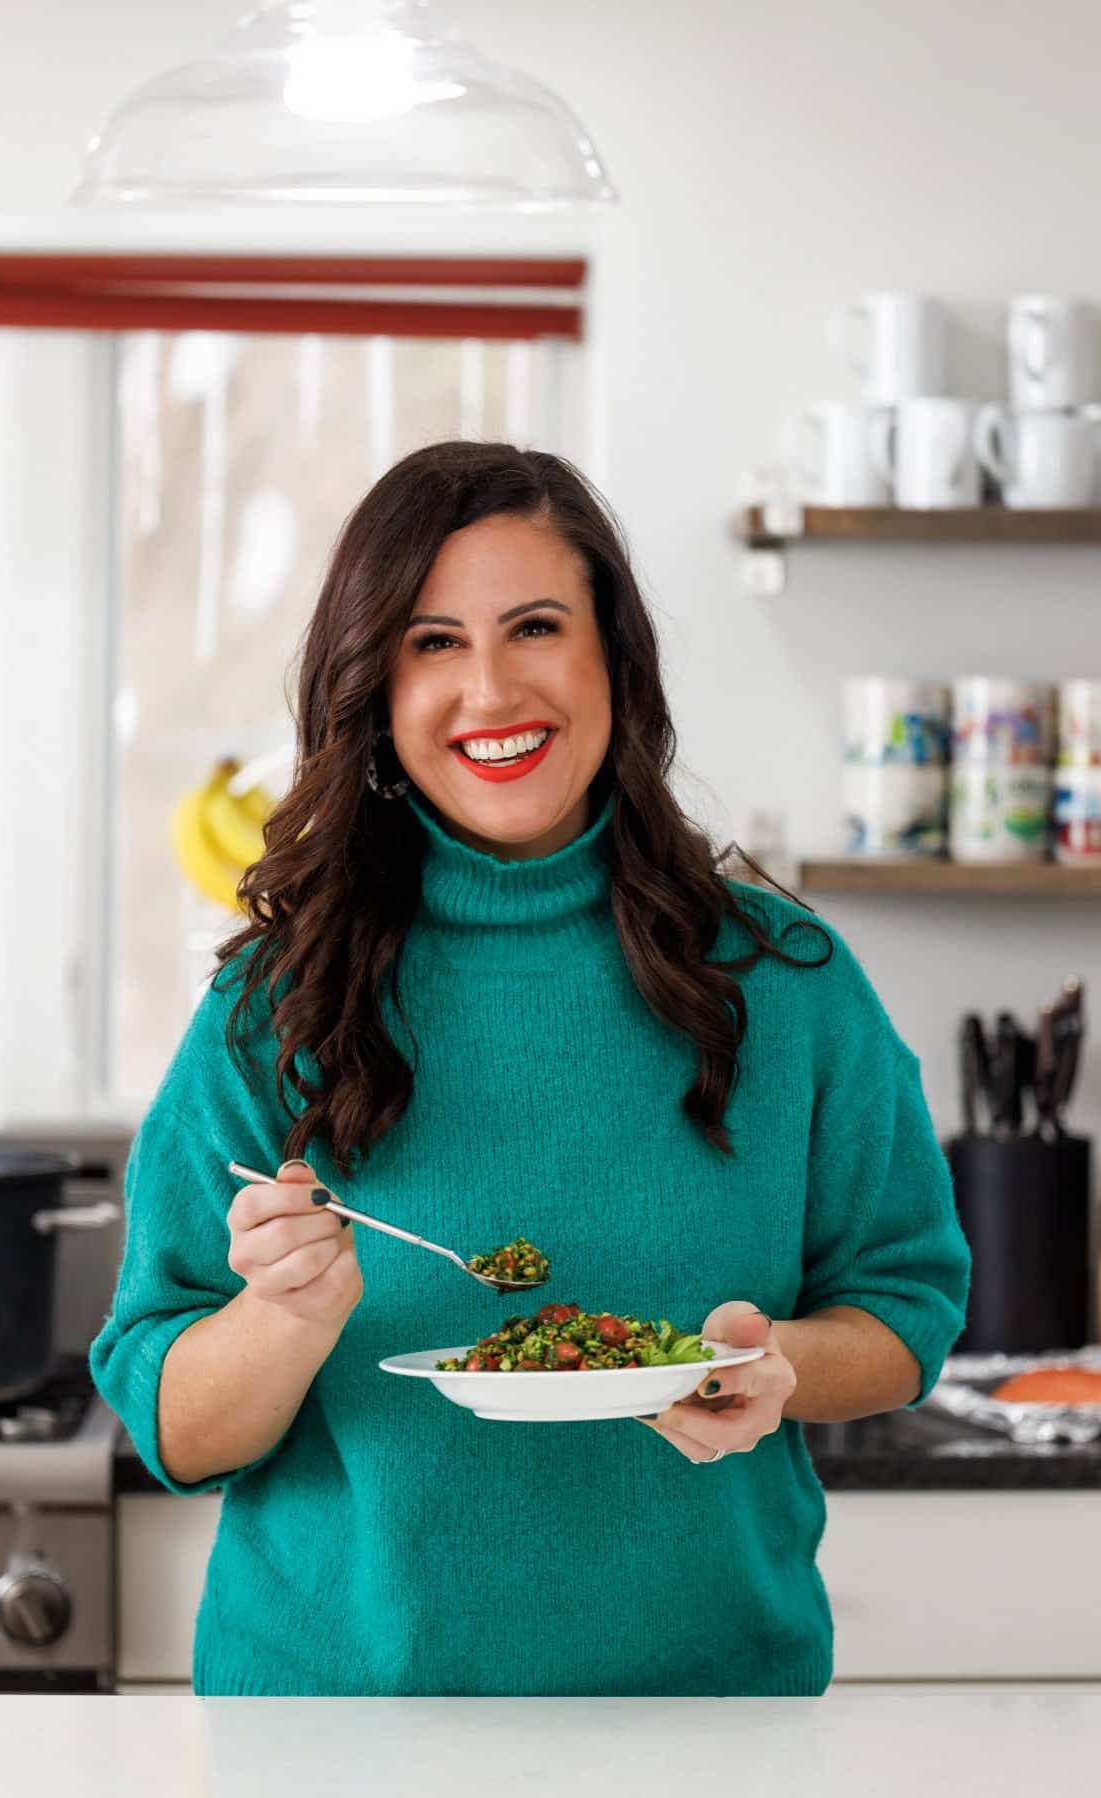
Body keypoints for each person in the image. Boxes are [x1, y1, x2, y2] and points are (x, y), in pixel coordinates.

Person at [90, 440, 970, 1698]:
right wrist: (282, 1318)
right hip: (338, 1739)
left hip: (708, 1727)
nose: (491, 689)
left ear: (614, 653)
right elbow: (175, 1427)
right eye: (432, 642)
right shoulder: (273, 1005)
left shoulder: (787, 981)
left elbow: (903, 1303)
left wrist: (775, 1366)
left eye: (536, 628)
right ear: (376, 688)